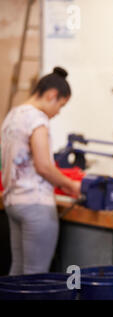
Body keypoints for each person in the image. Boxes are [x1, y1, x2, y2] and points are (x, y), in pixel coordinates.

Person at [1, 67, 81, 275]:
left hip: (13, 202)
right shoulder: (37, 119)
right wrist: (72, 185)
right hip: (35, 204)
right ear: (52, 95)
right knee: (36, 276)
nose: (58, 112)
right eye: (61, 105)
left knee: (17, 272)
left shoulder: (12, 115)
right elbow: (44, 166)